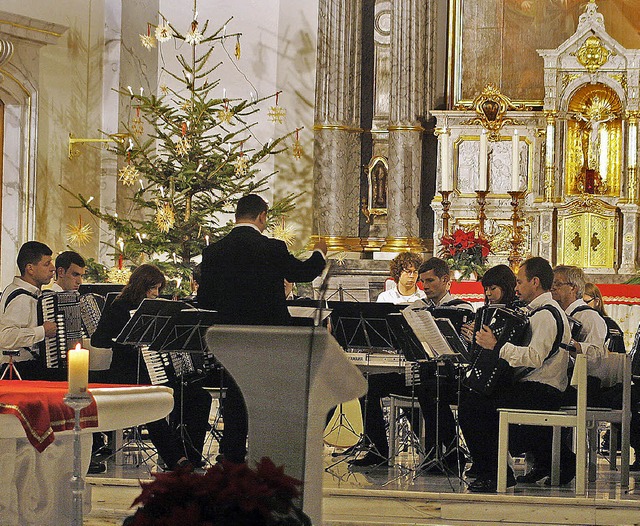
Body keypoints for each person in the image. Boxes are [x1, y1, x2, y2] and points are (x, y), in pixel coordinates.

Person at [197, 194, 327, 464]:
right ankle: (267, 453)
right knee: (269, 394)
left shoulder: (213, 252)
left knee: (235, 393)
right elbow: (301, 273)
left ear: (236, 216)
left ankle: (231, 453)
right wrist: (320, 254)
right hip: (269, 334)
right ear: (262, 216)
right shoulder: (272, 248)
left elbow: (206, 300)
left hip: (230, 335)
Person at [458, 256, 573, 493]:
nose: (516, 287)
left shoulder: (546, 315)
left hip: (543, 391)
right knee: (477, 395)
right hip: (538, 388)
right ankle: (495, 468)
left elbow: (534, 357)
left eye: (520, 282)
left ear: (535, 282)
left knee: (473, 404)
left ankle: (495, 473)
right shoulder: (540, 312)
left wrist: (496, 347)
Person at [91, 264, 211, 470]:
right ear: (140, 286)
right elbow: (98, 339)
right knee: (154, 403)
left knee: (200, 397)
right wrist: (125, 341)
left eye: (158, 289)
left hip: (158, 371)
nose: (156, 294)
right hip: (127, 373)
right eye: (152, 289)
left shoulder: (160, 310)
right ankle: (175, 458)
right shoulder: (119, 307)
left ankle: (191, 454)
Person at [0, 241, 58, 380]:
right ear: (30, 269)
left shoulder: (32, 293)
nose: (53, 268)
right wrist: (42, 331)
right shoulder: (21, 297)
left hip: (28, 368)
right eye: (46, 264)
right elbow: (5, 338)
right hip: (20, 371)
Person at [583, 282, 626, 354]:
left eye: (586, 302)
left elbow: (617, 354)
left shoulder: (610, 324)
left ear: (596, 302)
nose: (582, 306)